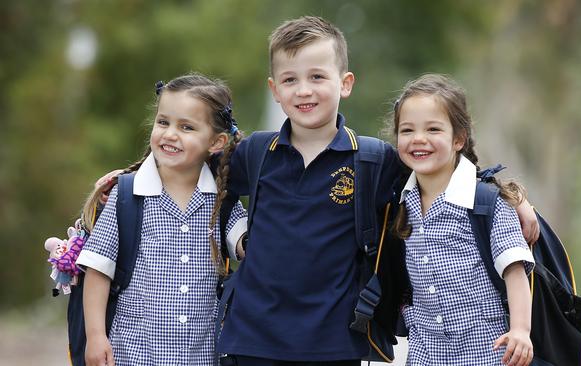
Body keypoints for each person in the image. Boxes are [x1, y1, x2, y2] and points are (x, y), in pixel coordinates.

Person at [216, 17, 538, 366]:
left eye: (317, 77)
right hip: (252, 337)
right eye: (290, 79)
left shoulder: (372, 159)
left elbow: (443, 172)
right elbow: (216, 186)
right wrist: (239, 237)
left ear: (345, 83)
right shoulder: (257, 151)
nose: (304, 90)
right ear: (275, 89)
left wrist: (512, 197)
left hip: (334, 342)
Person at [75, 74, 248, 366]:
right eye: (163, 122)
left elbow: (249, 246)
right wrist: (95, 336)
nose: (169, 134)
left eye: (187, 127)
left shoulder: (222, 201)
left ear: (216, 142)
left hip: (201, 356)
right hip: (134, 353)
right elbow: (98, 269)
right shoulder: (128, 196)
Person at [389, 73, 535, 366]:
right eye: (407, 130)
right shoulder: (400, 199)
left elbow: (515, 271)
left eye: (433, 129)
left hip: (487, 351)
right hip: (426, 351)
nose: (419, 139)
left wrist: (521, 330)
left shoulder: (484, 204)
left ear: (458, 139)